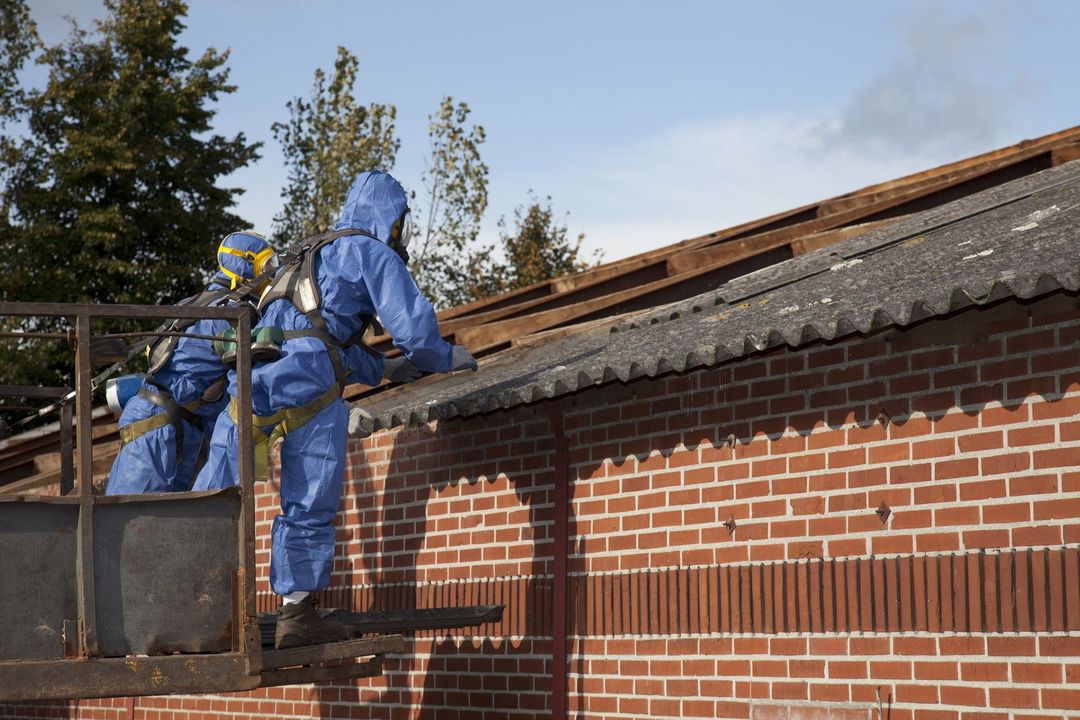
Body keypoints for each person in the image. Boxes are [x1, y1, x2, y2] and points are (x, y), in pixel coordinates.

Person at [193, 171, 477, 649]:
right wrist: (443, 357)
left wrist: (384, 370)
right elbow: (413, 331)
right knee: (308, 496)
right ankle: (298, 613)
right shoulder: (372, 251)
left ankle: (185, 600)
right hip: (311, 386)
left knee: (212, 497)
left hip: (251, 380)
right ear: (393, 219)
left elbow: (317, 334)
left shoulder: (309, 254)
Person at [106, 232, 277, 495]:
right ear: (246, 264)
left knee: (174, 525)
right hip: (158, 423)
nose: (270, 273)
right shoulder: (234, 315)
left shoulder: (196, 303)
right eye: (266, 265)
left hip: (180, 425)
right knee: (130, 520)